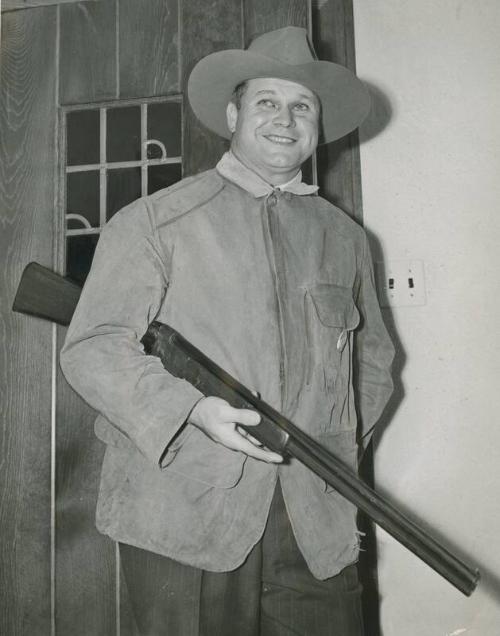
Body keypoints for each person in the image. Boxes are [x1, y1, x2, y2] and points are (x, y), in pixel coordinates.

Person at [60, 26, 394, 636]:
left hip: (312, 519)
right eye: (267, 101)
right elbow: (93, 348)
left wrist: (327, 451)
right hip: (185, 513)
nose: (285, 119)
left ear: (317, 126)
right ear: (234, 113)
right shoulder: (157, 222)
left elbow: (373, 366)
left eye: (303, 106)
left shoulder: (346, 239)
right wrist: (193, 411)